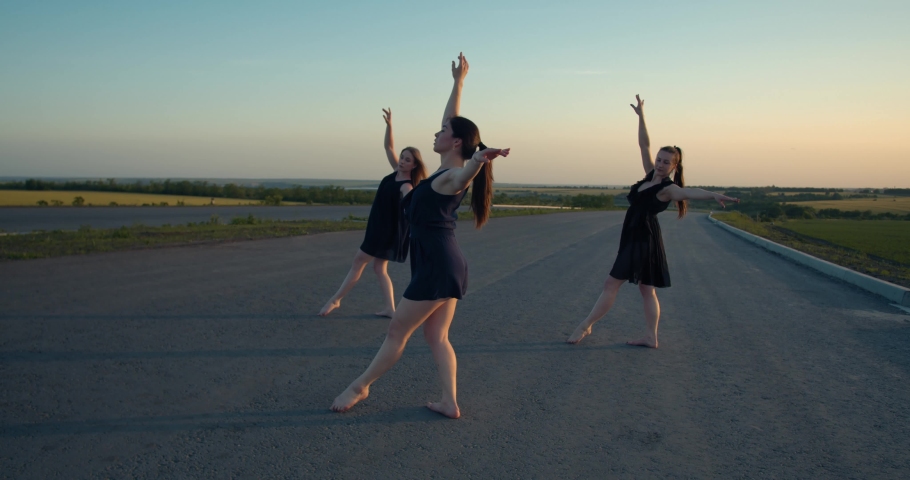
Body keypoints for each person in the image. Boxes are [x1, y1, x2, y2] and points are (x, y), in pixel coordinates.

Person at [331, 53, 510, 418]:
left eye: (443, 132)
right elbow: (451, 120)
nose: (437, 132)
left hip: (438, 267)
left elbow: (463, 177)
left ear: (457, 143)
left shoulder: (452, 175)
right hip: (444, 264)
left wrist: (479, 161)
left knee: (397, 331)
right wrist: (458, 82)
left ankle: (359, 387)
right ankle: (449, 402)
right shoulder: (439, 171)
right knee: (436, 336)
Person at [566, 94, 738, 348]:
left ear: (673, 166)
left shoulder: (668, 188)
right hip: (636, 236)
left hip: (643, 239)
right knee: (647, 289)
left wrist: (713, 195)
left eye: (666, 162)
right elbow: (644, 145)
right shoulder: (650, 174)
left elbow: (691, 193)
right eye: (659, 159)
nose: (659, 164)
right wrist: (642, 117)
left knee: (611, 283)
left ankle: (585, 326)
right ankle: (651, 337)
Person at [318, 108, 427, 317]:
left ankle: (336, 300)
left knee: (359, 261)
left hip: (385, 232)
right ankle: (390, 308)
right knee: (379, 268)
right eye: (402, 157)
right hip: (378, 226)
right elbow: (388, 146)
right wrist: (389, 126)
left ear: (414, 165)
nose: (402, 161)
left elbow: (412, 206)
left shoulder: (407, 186)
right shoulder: (395, 172)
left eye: (407, 160)